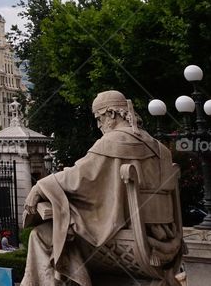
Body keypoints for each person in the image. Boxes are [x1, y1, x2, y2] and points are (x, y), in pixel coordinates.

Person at [20, 90, 183, 286]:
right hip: (165, 237)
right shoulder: (160, 148)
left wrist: (40, 187)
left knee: (43, 234)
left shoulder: (113, 142)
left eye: (99, 118)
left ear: (112, 114)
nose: (98, 125)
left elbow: (78, 177)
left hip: (133, 241)